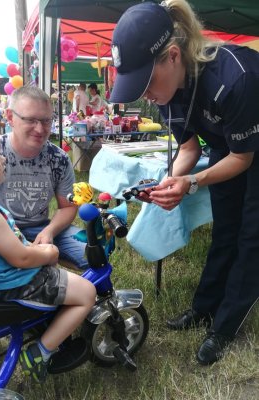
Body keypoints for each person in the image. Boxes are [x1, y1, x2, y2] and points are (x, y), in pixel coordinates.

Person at [109, 0, 259, 365]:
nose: (145, 94)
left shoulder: (234, 78)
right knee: (225, 229)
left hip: (252, 146)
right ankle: (204, 309)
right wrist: (167, 182)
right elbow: (189, 148)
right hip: (230, 146)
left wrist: (191, 183)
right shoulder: (165, 91)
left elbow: (245, 158)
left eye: (146, 82)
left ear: (173, 56)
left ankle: (223, 328)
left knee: (250, 236)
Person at [0, 115, 96, 383]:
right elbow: (21, 258)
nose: (3, 158)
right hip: (18, 285)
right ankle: (40, 352)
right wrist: (50, 253)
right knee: (86, 292)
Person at [0, 86, 89, 270]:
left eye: (46, 121)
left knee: (93, 253)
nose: (40, 129)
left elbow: (68, 207)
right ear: (10, 117)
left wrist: (49, 231)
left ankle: (44, 259)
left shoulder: (58, 158)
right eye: (31, 120)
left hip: (40, 227)